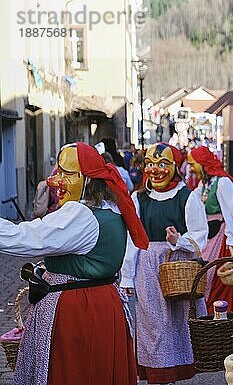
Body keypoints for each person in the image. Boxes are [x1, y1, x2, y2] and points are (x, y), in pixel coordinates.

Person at [0, 142, 148, 384]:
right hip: (102, 304)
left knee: (77, 371)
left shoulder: (80, 216)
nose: (55, 181)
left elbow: (26, 238)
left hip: (79, 310)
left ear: (88, 179)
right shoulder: (111, 208)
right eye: (57, 171)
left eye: (66, 174)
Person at [120, 142, 208, 384]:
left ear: (174, 167)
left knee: (177, 321)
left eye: (162, 164)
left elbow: (200, 233)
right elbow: (131, 239)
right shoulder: (138, 198)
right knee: (153, 323)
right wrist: (126, 276)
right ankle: (159, 374)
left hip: (176, 266)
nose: (154, 169)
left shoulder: (187, 197)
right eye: (150, 163)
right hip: (147, 266)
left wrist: (179, 240)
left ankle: (175, 370)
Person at [187, 146, 233, 313]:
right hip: (206, 234)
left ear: (202, 163)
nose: (191, 169)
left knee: (216, 278)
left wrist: (232, 241)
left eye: (193, 164)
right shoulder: (203, 183)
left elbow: (232, 214)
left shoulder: (223, 182)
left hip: (221, 236)